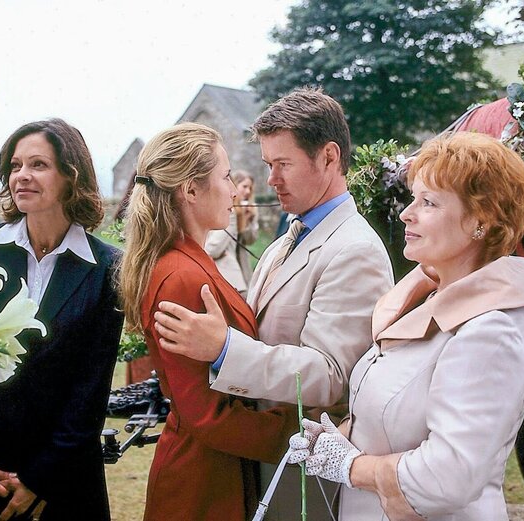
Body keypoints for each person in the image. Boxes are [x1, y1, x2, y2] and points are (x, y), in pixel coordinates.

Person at [153, 87, 394, 518]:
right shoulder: (287, 240)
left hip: (307, 475)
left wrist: (224, 349)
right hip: (262, 460)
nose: (271, 180)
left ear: (329, 157)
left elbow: (333, 377)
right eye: (268, 165)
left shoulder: (355, 250)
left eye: (284, 164)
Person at [288, 132, 524, 520]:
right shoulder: (428, 299)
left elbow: (449, 476)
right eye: (413, 199)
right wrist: (335, 440)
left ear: (481, 220)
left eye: (429, 203)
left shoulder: (491, 332)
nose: (407, 213)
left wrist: (350, 466)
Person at [0, 118, 123, 521]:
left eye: (38, 165)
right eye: (15, 166)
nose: (22, 175)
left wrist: (41, 479)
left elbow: (90, 392)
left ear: (71, 176)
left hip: (60, 483)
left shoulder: (108, 267)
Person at [118, 122, 296, 521]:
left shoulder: (188, 261)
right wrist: (299, 429)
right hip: (201, 483)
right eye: (226, 176)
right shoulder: (181, 276)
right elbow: (205, 414)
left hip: (217, 467)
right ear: (191, 190)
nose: (234, 191)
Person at [203, 170, 259, 295]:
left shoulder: (245, 210)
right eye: (244, 186)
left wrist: (248, 220)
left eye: (250, 188)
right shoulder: (228, 212)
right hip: (227, 272)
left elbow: (250, 240)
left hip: (242, 267)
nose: (248, 191)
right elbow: (212, 249)